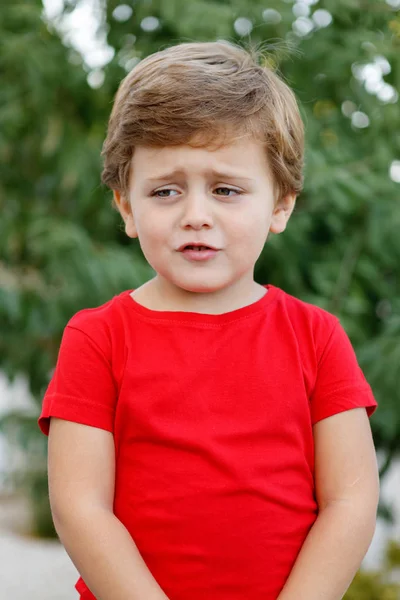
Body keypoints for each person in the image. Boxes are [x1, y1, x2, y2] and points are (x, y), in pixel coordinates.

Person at [38, 40, 379, 600]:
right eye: (166, 191)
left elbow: (350, 500)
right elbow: (80, 507)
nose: (196, 216)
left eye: (226, 189)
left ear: (280, 205)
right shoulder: (97, 337)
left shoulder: (317, 337)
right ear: (126, 206)